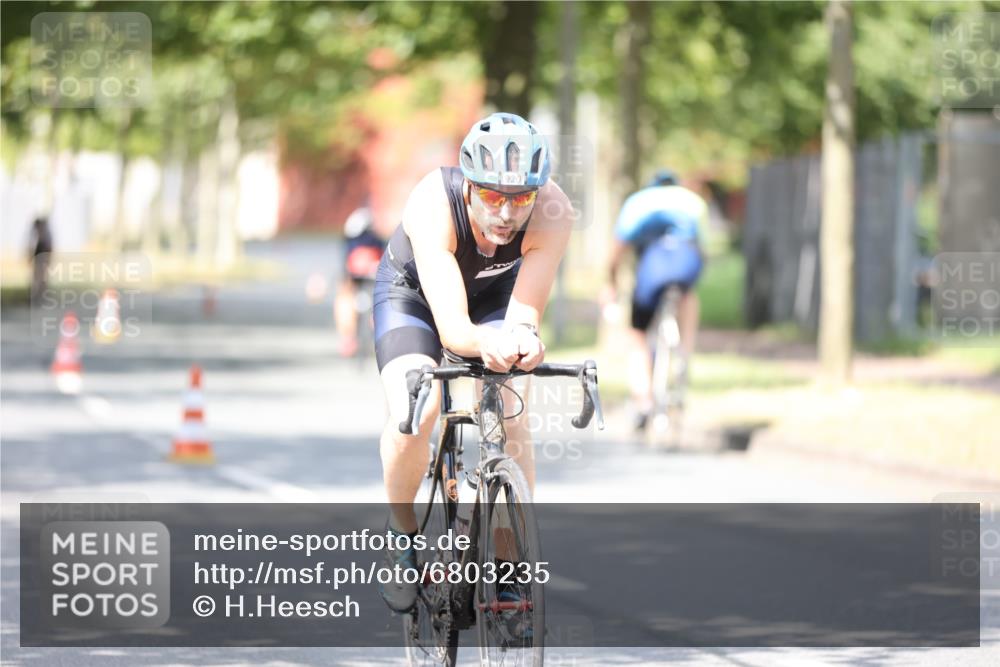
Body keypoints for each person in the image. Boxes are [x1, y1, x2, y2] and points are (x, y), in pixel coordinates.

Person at [372, 112, 572, 612]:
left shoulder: (553, 211)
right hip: (415, 297)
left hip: (494, 297)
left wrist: (527, 342)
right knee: (414, 414)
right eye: (492, 197)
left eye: (520, 198)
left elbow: (525, 316)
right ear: (469, 188)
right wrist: (486, 345)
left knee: (512, 411)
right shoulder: (432, 202)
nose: (506, 213)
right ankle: (404, 536)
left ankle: (509, 568)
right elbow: (455, 332)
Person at [602, 170, 707, 431]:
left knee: (637, 333)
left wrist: (611, 283)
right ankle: (684, 353)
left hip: (654, 264)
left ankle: (644, 400)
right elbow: (703, 246)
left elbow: (617, 250)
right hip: (687, 259)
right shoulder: (693, 200)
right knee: (687, 296)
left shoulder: (638, 201)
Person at [334, 201, 385, 357]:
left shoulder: (351, 238)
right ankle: (378, 322)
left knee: (345, 294)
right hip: (375, 269)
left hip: (355, 270)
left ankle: (347, 337)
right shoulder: (376, 238)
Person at [28, 216, 53, 307]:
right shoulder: (37, 236)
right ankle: (35, 299)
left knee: (42, 280)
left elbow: (48, 250)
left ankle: (41, 298)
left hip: (43, 260)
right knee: (36, 280)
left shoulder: (45, 236)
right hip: (38, 260)